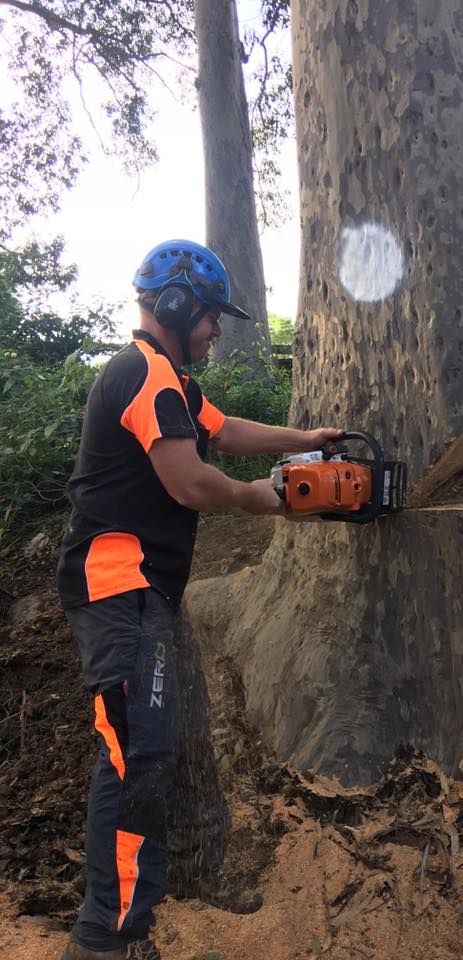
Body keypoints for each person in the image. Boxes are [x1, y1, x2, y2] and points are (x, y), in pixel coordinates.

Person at [56, 239, 342, 960]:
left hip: (144, 591)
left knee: (152, 752)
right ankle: (106, 940)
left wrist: (306, 438)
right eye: (212, 316)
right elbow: (188, 479)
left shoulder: (172, 385)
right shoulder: (145, 373)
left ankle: (129, 918)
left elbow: (225, 430)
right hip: (119, 586)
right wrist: (262, 499)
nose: (217, 330)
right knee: (135, 757)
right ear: (178, 305)